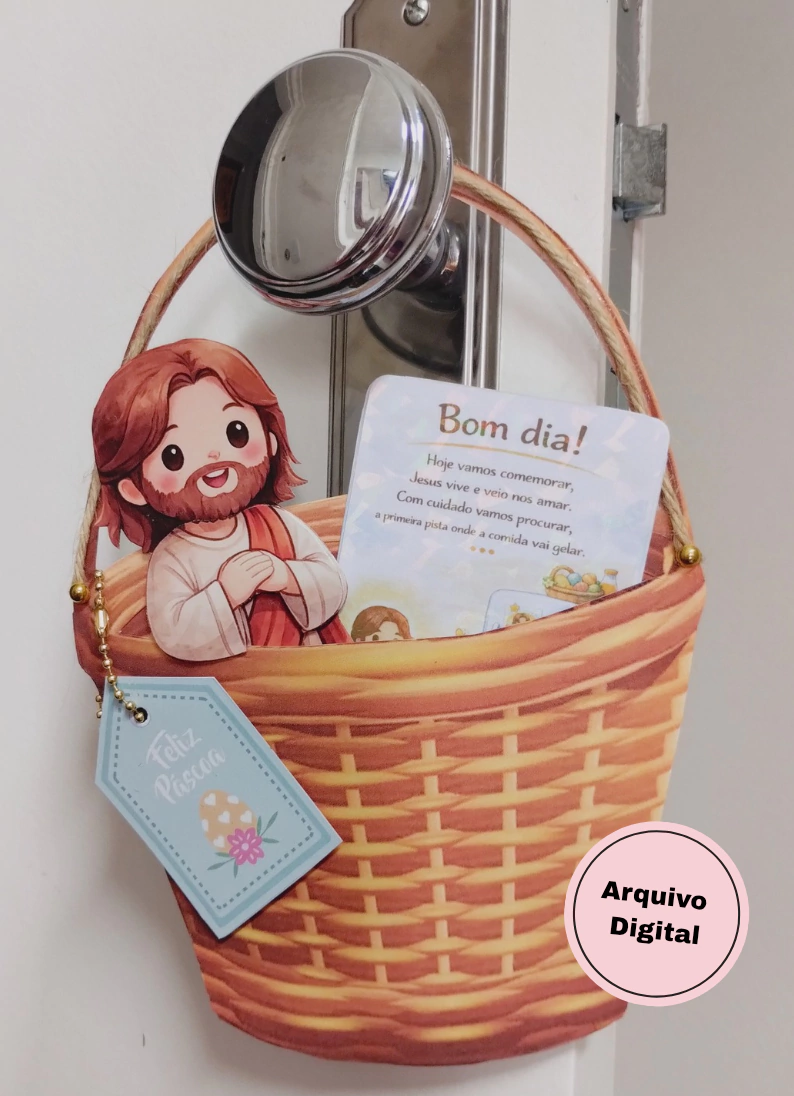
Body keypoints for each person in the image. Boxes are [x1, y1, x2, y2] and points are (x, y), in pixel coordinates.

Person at [92, 338, 348, 660]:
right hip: (242, 682)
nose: (213, 455)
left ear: (270, 439)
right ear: (133, 489)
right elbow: (175, 636)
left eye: (236, 432)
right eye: (174, 455)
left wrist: (286, 575)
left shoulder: (277, 523)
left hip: (311, 669)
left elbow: (334, 583)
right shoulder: (173, 558)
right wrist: (224, 594)